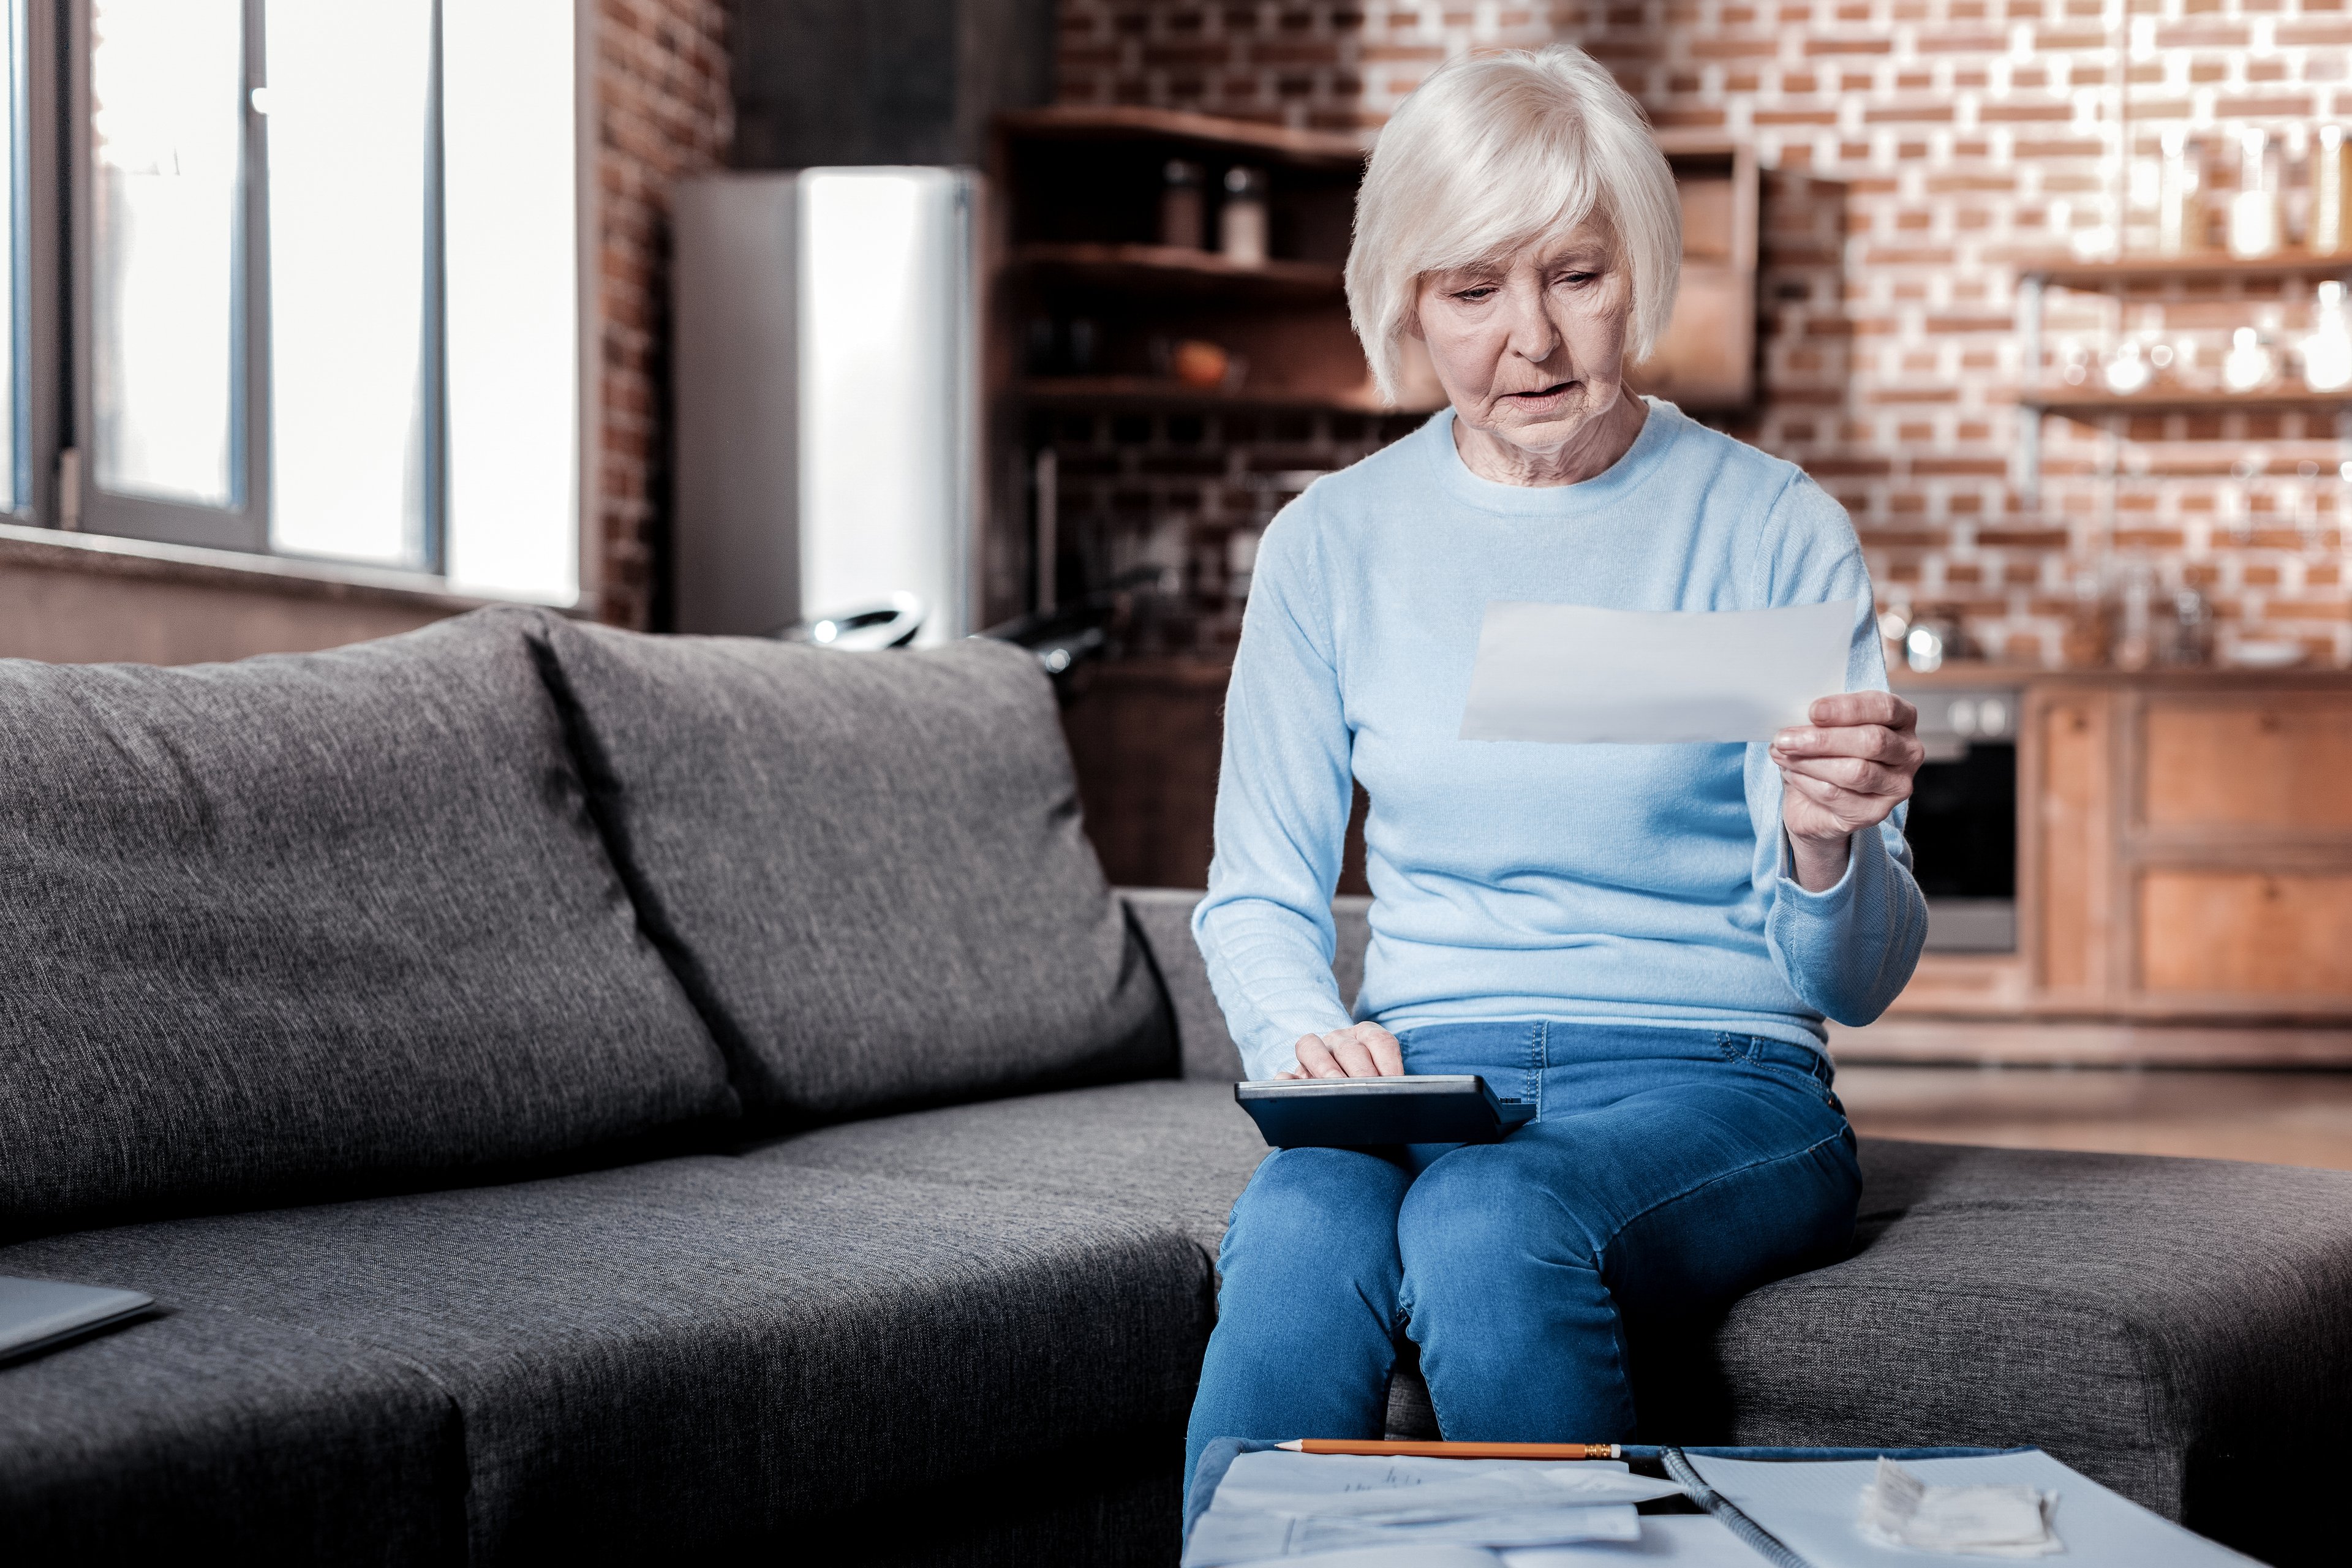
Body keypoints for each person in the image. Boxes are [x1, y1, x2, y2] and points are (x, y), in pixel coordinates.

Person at [1183, 43, 1929, 1490]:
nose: (1532, 338)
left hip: (1721, 1075)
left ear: (1636, 272)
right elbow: (1258, 889)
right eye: (1473, 289)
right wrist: (1299, 1041)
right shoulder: (1332, 545)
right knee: (1296, 1225)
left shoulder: (1769, 525)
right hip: (1426, 1070)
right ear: (1405, 299)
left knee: (1486, 1221)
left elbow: (1858, 981)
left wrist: (1829, 851)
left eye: (1574, 275)